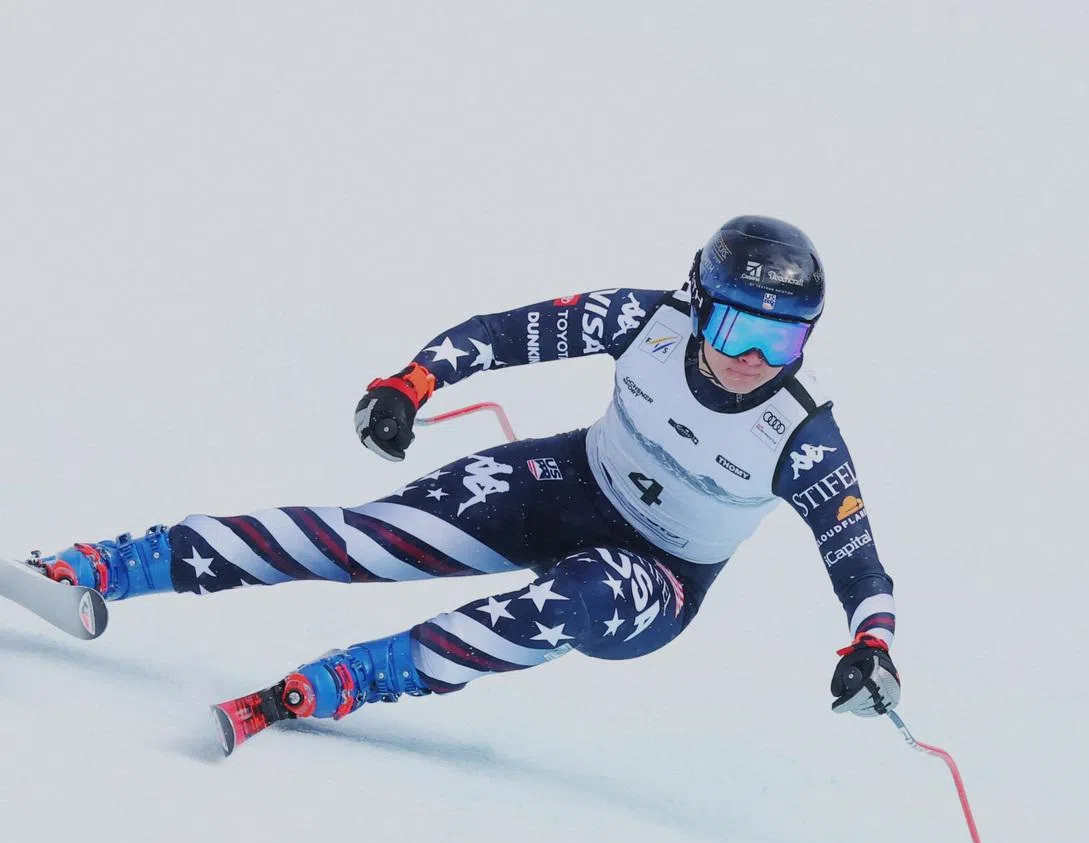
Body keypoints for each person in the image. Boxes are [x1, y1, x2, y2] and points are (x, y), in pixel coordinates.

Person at [30, 216, 901, 750]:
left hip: (659, 579)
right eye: (743, 329)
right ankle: (98, 567)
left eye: (783, 342)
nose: (755, 361)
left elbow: (856, 561)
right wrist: (411, 384)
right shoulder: (647, 321)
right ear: (700, 302)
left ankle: (351, 679)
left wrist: (873, 649)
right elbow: (502, 333)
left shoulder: (801, 432)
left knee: (563, 601)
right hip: (564, 483)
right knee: (363, 542)